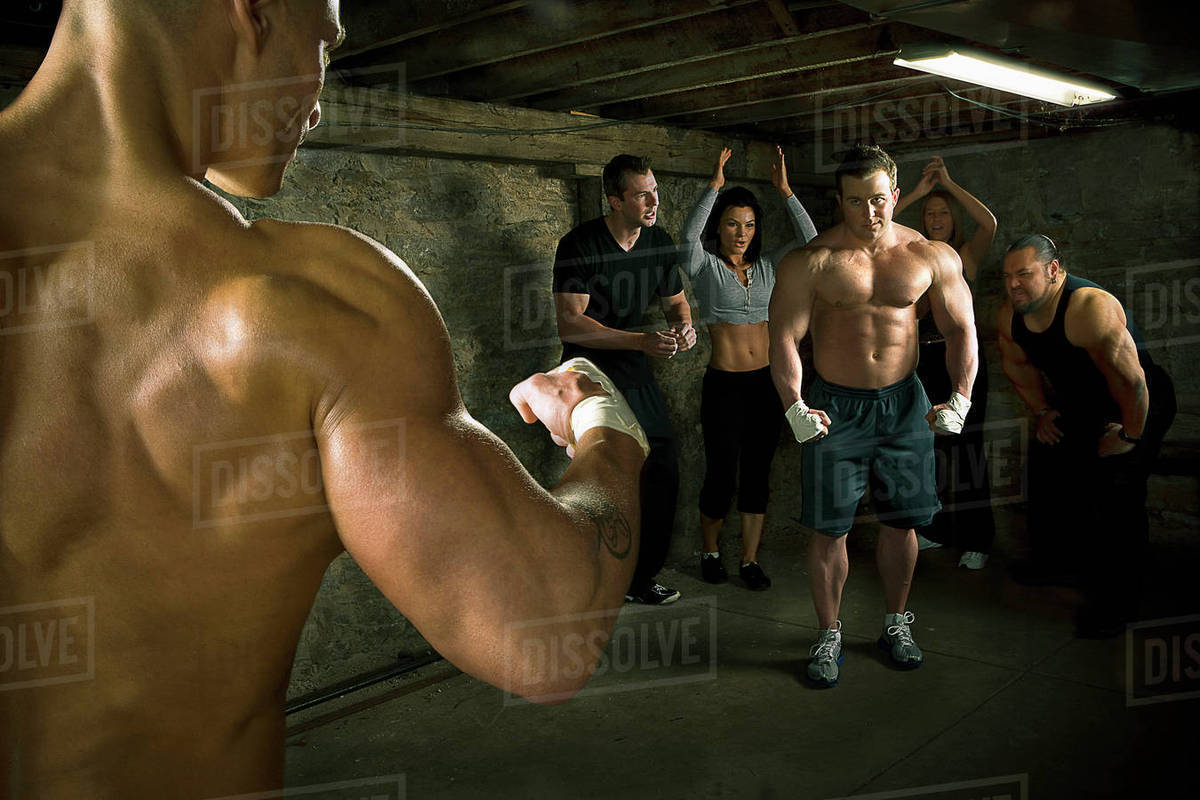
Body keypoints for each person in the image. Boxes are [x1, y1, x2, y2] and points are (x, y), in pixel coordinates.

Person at [0, 1, 651, 795]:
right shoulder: (311, 308)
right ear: (253, 9)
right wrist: (601, 421)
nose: (315, 98)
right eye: (326, 42)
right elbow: (545, 631)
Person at [769, 143, 977, 688]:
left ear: (895, 194)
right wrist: (794, 404)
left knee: (902, 521)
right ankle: (828, 632)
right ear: (840, 200)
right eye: (856, 202)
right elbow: (784, 338)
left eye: (879, 200)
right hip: (834, 407)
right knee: (828, 529)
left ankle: (895, 623)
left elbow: (960, 330)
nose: (869, 213)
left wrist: (961, 396)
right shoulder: (810, 261)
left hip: (904, 405)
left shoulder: (931, 255)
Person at [997, 234, 1176, 638]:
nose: (1013, 285)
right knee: (1045, 465)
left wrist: (1130, 436)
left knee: (1118, 490)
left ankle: (1118, 602)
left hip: (1139, 401)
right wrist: (1043, 412)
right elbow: (1019, 368)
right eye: (1008, 277)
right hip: (1081, 401)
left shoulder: (1090, 308)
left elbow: (1134, 384)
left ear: (1054, 270)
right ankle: (1055, 563)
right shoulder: (1011, 315)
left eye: (1024, 274)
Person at [553, 153, 696, 605]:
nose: (654, 201)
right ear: (615, 200)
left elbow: (677, 304)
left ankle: (639, 578)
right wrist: (639, 341)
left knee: (663, 462)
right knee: (605, 472)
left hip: (634, 369)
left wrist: (684, 328)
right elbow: (570, 324)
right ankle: (589, 575)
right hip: (587, 370)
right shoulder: (580, 244)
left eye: (655, 190)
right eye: (642, 194)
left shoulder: (660, 242)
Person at [680, 146, 818, 590]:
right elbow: (686, 240)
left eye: (750, 225)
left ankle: (751, 561)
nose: (742, 233)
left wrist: (786, 192)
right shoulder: (705, 267)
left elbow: (812, 242)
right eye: (733, 224)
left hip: (765, 386)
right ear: (720, 226)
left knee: (758, 473)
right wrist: (713, 189)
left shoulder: (771, 266)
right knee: (722, 473)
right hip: (724, 386)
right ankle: (711, 551)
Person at [894, 155, 998, 569]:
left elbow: (989, 224)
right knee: (928, 451)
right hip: (923, 360)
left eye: (942, 213)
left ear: (953, 218)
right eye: (928, 213)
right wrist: (917, 192)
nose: (935, 218)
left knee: (968, 450)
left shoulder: (965, 256)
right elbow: (880, 221)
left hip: (963, 362)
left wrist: (949, 184)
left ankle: (978, 539)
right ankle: (936, 530)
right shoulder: (912, 254)